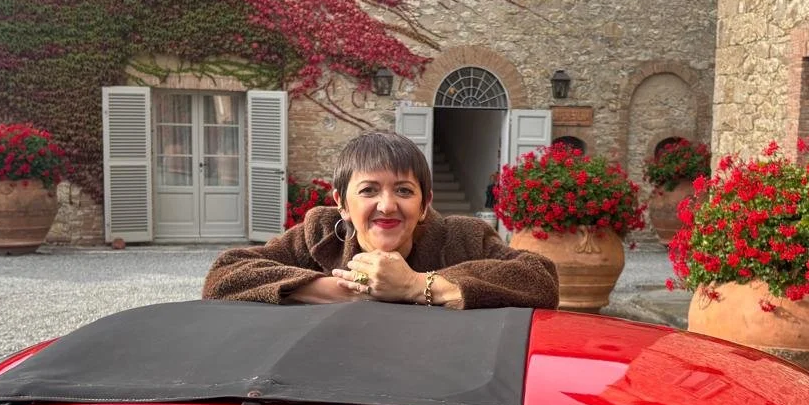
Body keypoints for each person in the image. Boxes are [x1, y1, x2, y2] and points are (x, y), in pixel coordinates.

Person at [203, 131, 559, 309]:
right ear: (341, 203)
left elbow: (541, 279)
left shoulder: (464, 237)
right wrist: (336, 291)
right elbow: (223, 276)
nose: (387, 206)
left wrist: (416, 285)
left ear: (425, 204)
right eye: (369, 190)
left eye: (404, 191)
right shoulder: (319, 234)